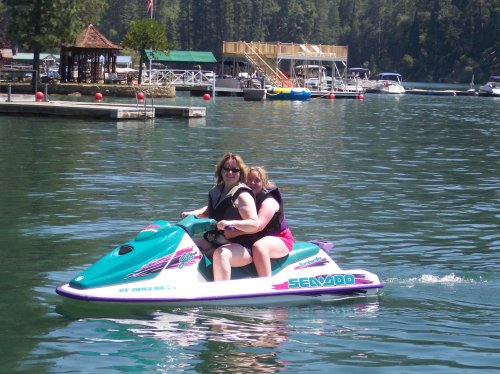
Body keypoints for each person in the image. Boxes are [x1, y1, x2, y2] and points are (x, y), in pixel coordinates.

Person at [181, 152, 259, 281]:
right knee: (186, 246)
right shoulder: (217, 191)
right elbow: (210, 211)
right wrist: (194, 214)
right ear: (221, 170)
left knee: (221, 254)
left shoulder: (243, 196)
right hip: (217, 241)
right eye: (227, 169)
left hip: (243, 246)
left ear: (240, 173)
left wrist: (230, 223)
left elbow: (254, 224)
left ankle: (220, 292)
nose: (230, 173)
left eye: (235, 170)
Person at [227, 166, 294, 277]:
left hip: (281, 239)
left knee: (260, 247)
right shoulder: (244, 198)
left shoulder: (269, 201)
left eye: (257, 180)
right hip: (256, 238)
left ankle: (266, 284)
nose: (252, 183)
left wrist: (234, 233)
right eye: (249, 180)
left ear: (263, 182)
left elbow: (258, 227)